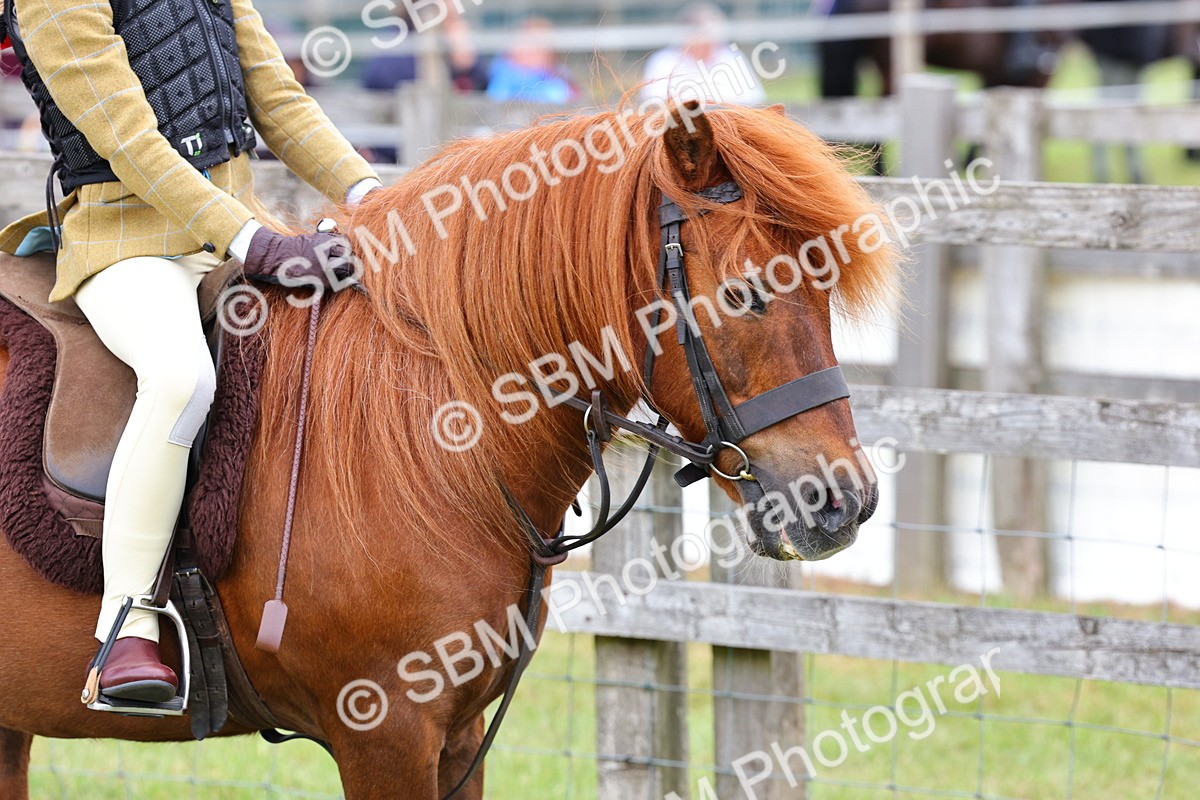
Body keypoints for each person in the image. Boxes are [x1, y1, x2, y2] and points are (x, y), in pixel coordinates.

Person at [0, 0, 381, 705]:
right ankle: (127, 624)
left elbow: (281, 102)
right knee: (179, 378)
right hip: (127, 245)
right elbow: (129, 138)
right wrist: (254, 242)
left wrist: (378, 198)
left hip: (234, 236)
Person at [641, 3, 766, 106]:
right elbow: (653, 101)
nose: (703, 44)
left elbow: (754, 98)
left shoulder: (731, 58)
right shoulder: (664, 61)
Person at [485, 17, 579, 105]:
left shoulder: (560, 79)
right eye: (526, 42)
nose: (529, 50)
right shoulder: (503, 75)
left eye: (537, 44)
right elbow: (495, 99)